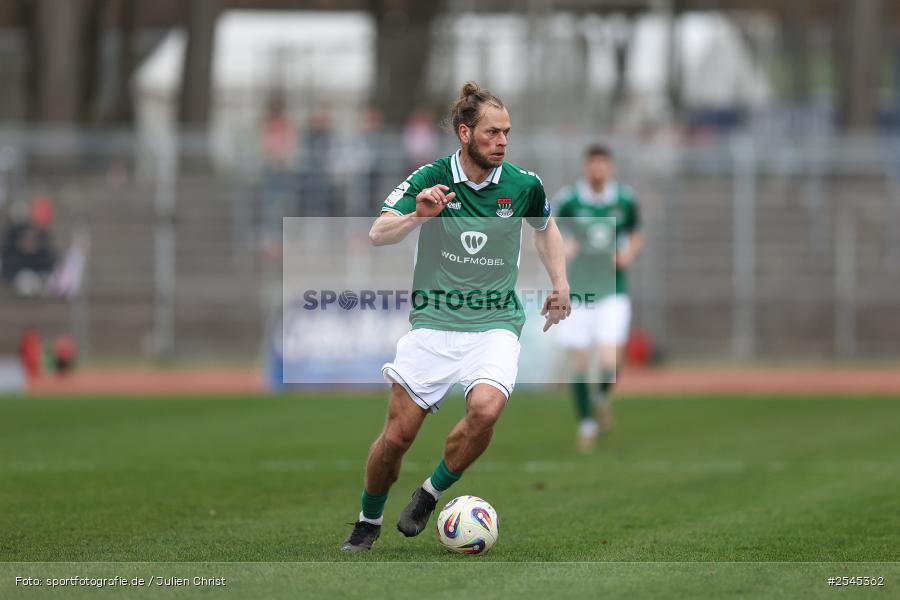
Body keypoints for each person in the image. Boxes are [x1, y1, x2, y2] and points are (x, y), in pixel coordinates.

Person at [340, 81, 571, 553]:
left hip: (494, 324)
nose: (502, 141)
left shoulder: (525, 185)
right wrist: (417, 218)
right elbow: (378, 233)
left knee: (486, 410)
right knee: (397, 436)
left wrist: (560, 284)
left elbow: (546, 231)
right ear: (464, 133)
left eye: (506, 131)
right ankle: (368, 520)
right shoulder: (428, 178)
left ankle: (429, 494)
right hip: (433, 325)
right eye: (492, 132)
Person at [554, 144, 643, 452]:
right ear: (585, 167)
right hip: (578, 292)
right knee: (578, 363)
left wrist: (628, 254)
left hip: (612, 290)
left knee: (610, 361)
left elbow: (635, 233)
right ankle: (586, 425)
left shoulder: (624, 200)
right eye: (593, 164)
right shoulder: (569, 200)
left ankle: (602, 396)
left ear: (610, 168)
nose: (597, 170)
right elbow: (550, 230)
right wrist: (565, 244)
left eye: (603, 164)